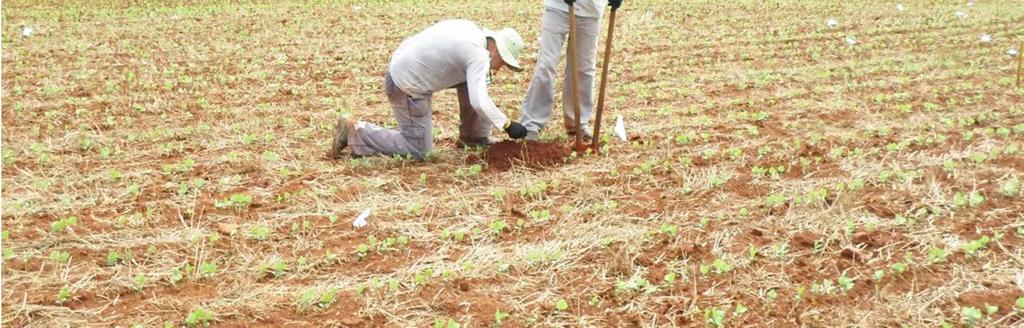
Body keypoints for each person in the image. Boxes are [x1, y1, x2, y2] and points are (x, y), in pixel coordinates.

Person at [330, 19, 528, 160]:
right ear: (497, 49)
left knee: (477, 81)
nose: (501, 67)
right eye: (504, 62)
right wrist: (508, 124)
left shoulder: (470, 30)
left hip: (403, 66)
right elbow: (479, 101)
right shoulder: (478, 55)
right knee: (418, 150)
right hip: (405, 85)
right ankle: (354, 132)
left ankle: (474, 137)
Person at [519, 0, 623, 140]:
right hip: (558, 7)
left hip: (592, 9)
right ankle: (531, 125)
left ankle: (577, 123)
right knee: (547, 65)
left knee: (584, 69)